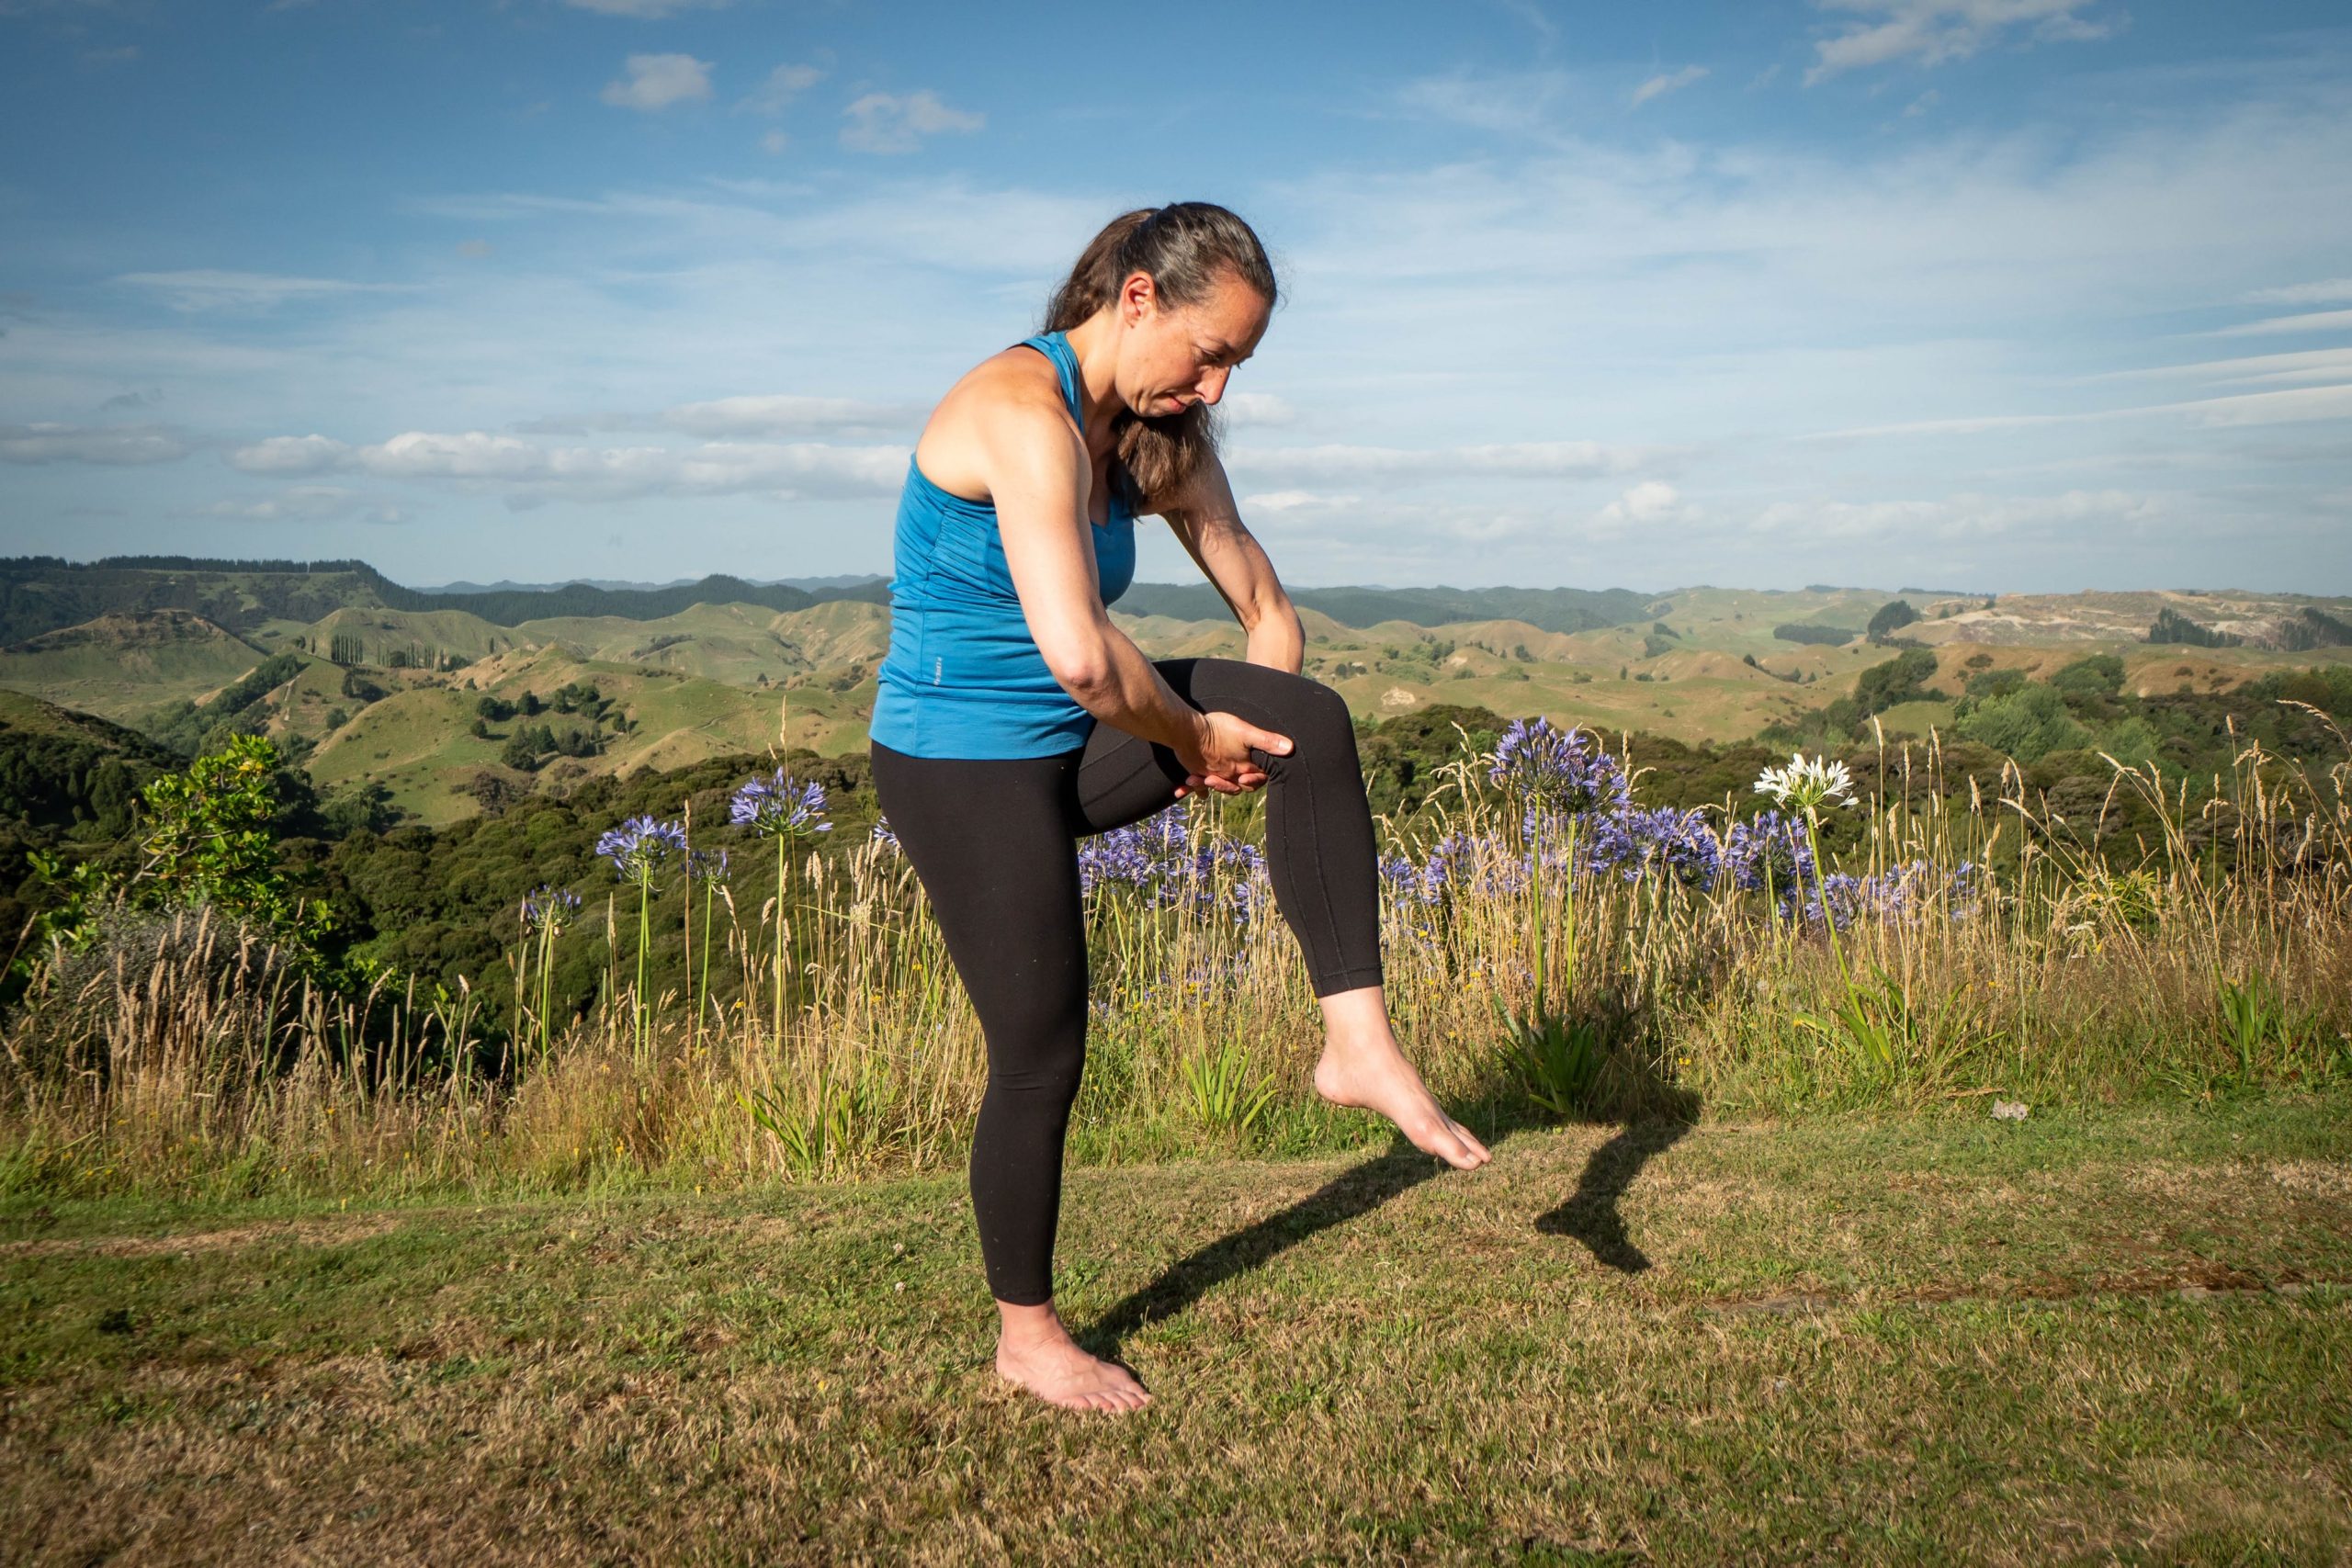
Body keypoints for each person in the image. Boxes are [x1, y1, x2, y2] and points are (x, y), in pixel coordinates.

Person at [868, 201, 1492, 1415]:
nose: (1212, 388)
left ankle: (1356, 1043)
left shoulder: (1154, 428)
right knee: (1043, 1047)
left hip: (1079, 742)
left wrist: (1257, 734)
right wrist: (1194, 738)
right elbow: (1085, 662)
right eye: (1207, 354)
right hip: (961, 762)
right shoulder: (1017, 412)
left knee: (1311, 722)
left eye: (1236, 369)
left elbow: (1266, 609)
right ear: (1139, 296)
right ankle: (1028, 1335)